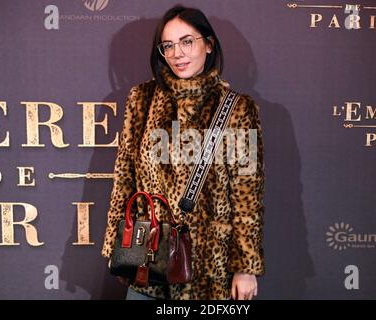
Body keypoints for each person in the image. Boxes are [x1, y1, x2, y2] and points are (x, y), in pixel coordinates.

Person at [101, 5, 265, 300]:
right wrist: (116, 243)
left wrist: (246, 267)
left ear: (209, 44)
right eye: (168, 45)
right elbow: (124, 176)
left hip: (210, 271)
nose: (178, 53)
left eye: (187, 41)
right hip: (148, 262)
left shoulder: (238, 108)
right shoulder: (141, 99)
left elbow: (247, 196)